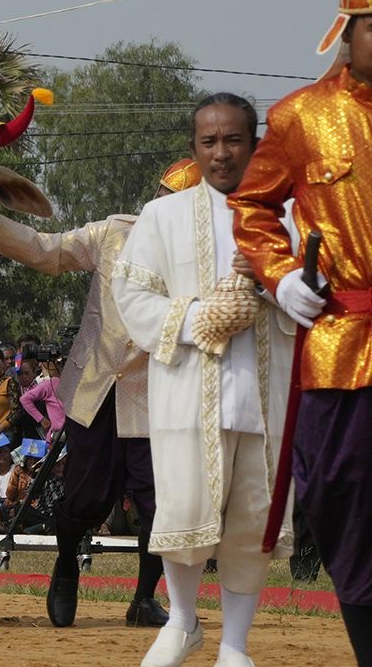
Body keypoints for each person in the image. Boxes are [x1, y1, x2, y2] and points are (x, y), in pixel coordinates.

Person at [113, 93, 294, 667]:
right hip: (188, 392)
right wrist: (197, 318)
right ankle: (183, 622)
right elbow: (133, 294)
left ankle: (236, 645)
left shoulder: (287, 216)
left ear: (254, 144)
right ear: (194, 148)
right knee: (184, 509)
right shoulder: (161, 216)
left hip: (264, 396)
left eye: (234, 140)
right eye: (209, 142)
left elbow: (321, 292)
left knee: (252, 520)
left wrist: (269, 284)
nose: (222, 153)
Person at [0, 159, 198, 628]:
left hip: (157, 399)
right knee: (85, 500)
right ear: (154, 197)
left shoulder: (202, 262)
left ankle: (143, 598)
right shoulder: (113, 234)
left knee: (162, 505)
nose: (167, 208)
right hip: (96, 391)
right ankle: (65, 567)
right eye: (163, 197)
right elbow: (48, 250)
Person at [230, 0, 372, 663]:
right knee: (339, 499)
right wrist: (282, 276)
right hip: (341, 343)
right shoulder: (299, 117)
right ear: (348, 31)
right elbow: (253, 208)